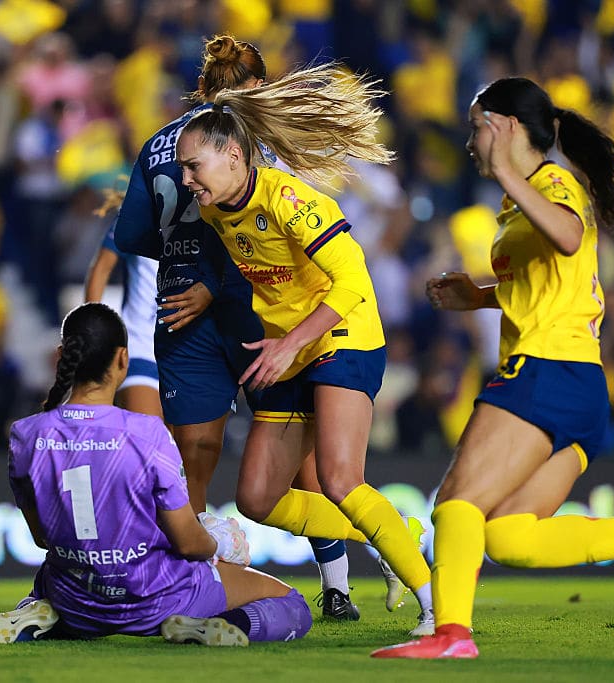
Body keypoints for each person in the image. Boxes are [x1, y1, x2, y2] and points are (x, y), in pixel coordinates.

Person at [369, 77, 614, 660]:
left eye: (477, 128)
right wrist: (480, 297)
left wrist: (507, 171)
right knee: (509, 536)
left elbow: (569, 237)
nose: (470, 142)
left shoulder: (550, 183)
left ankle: (451, 635)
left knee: (456, 502)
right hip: (578, 382)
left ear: (504, 127)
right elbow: (553, 285)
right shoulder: (523, 199)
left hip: (546, 370)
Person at [110, 35, 368, 619]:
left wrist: (184, 261)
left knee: (194, 449)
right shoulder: (260, 145)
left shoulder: (161, 145)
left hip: (201, 312)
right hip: (263, 310)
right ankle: (335, 585)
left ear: (201, 87)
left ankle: (194, 575)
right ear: (259, 87)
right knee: (295, 456)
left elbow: (130, 235)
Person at [175, 61, 435, 636]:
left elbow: (354, 281)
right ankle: (397, 531)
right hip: (288, 348)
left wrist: (289, 342)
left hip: (343, 334)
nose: (187, 179)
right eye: (183, 169)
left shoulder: (290, 199)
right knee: (257, 498)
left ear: (234, 156)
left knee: (340, 479)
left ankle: (436, 606)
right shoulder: (215, 209)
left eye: (194, 166)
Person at [0, 303, 311, 646]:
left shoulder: (25, 435)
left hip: (74, 598)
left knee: (52, 588)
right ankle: (215, 625)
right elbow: (189, 544)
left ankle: (37, 615)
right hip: (158, 598)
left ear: (61, 357)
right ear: (123, 359)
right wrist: (219, 542)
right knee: (292, 603)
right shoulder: (147, 433)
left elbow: (43, 538)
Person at [83, 226, 163, 417]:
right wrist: (94, 334)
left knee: (182, 438)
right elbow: (101, 268)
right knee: (146, 432)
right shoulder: (138, 213)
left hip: (190, 354)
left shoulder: (209, 213)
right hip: (142, 346)